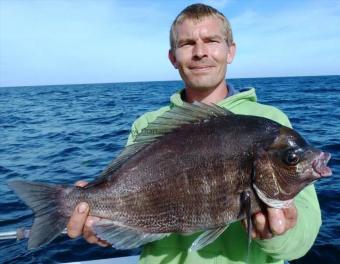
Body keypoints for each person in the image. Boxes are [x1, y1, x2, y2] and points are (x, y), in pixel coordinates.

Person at [67, 4, 321, 263]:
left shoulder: (273, 121)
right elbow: (121, 201)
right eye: (187, 43)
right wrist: (102, 226)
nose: (200, 52)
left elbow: (302, 240)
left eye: (211, 40)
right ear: (173, 57)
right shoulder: (147, 125)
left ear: (230, 51)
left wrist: (278, 233)